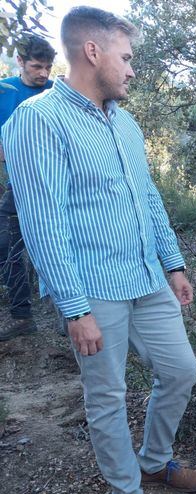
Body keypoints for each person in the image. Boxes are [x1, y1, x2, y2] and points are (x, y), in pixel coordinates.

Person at [2, 7, 196, 494]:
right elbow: (42, 221)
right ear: (93, 52)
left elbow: (148, 198)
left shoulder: (127, 122)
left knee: (182, 371)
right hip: (94, 290)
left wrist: (173, 262)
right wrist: (74, 308)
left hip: (146, 278)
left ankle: (155, 458)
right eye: (127, 57)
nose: (133, 70)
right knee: (107, 398)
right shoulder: (37, 120)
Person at [0, 34, 55, 341]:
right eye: (36, 66)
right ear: (19, 61)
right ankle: (23, 316)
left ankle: (69, 313)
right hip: (18, 184)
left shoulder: (57, 91)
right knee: (6, 247)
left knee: (64, 245)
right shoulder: (4, 91)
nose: (43, 73)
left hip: (58, 185)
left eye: (48, 66)